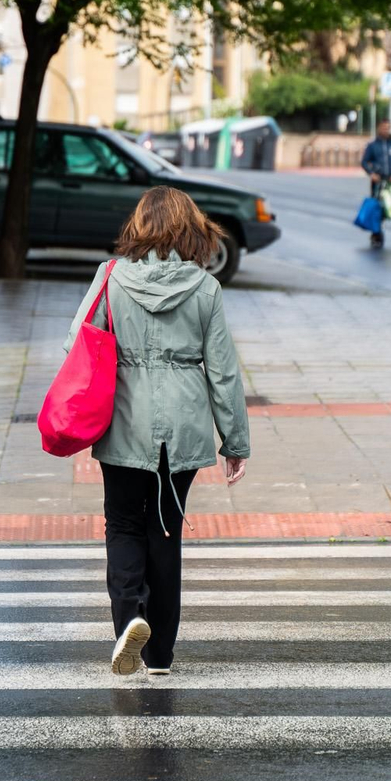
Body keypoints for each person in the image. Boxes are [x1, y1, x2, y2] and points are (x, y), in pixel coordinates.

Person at [64, 187, 250, 678]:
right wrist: (235, 441)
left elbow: (75, 343)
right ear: (192, 228)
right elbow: (224, 372)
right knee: (165, 531)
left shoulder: (110, 278)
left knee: (123, 523)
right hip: (184, 430)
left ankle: (130, 618)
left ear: (139, 225)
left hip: (123, 421)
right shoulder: (206, 289)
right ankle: (160, 654)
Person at [360, 118, 391, 249]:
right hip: (378, 183)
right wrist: (371, 174)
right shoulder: (373, 146)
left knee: (390, 209)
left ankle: (378, 228)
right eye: (384, 128)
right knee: (377, 208)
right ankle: (377, 234)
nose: (386, 130)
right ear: (379, 128)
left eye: (388, 128)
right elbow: (364, 162)